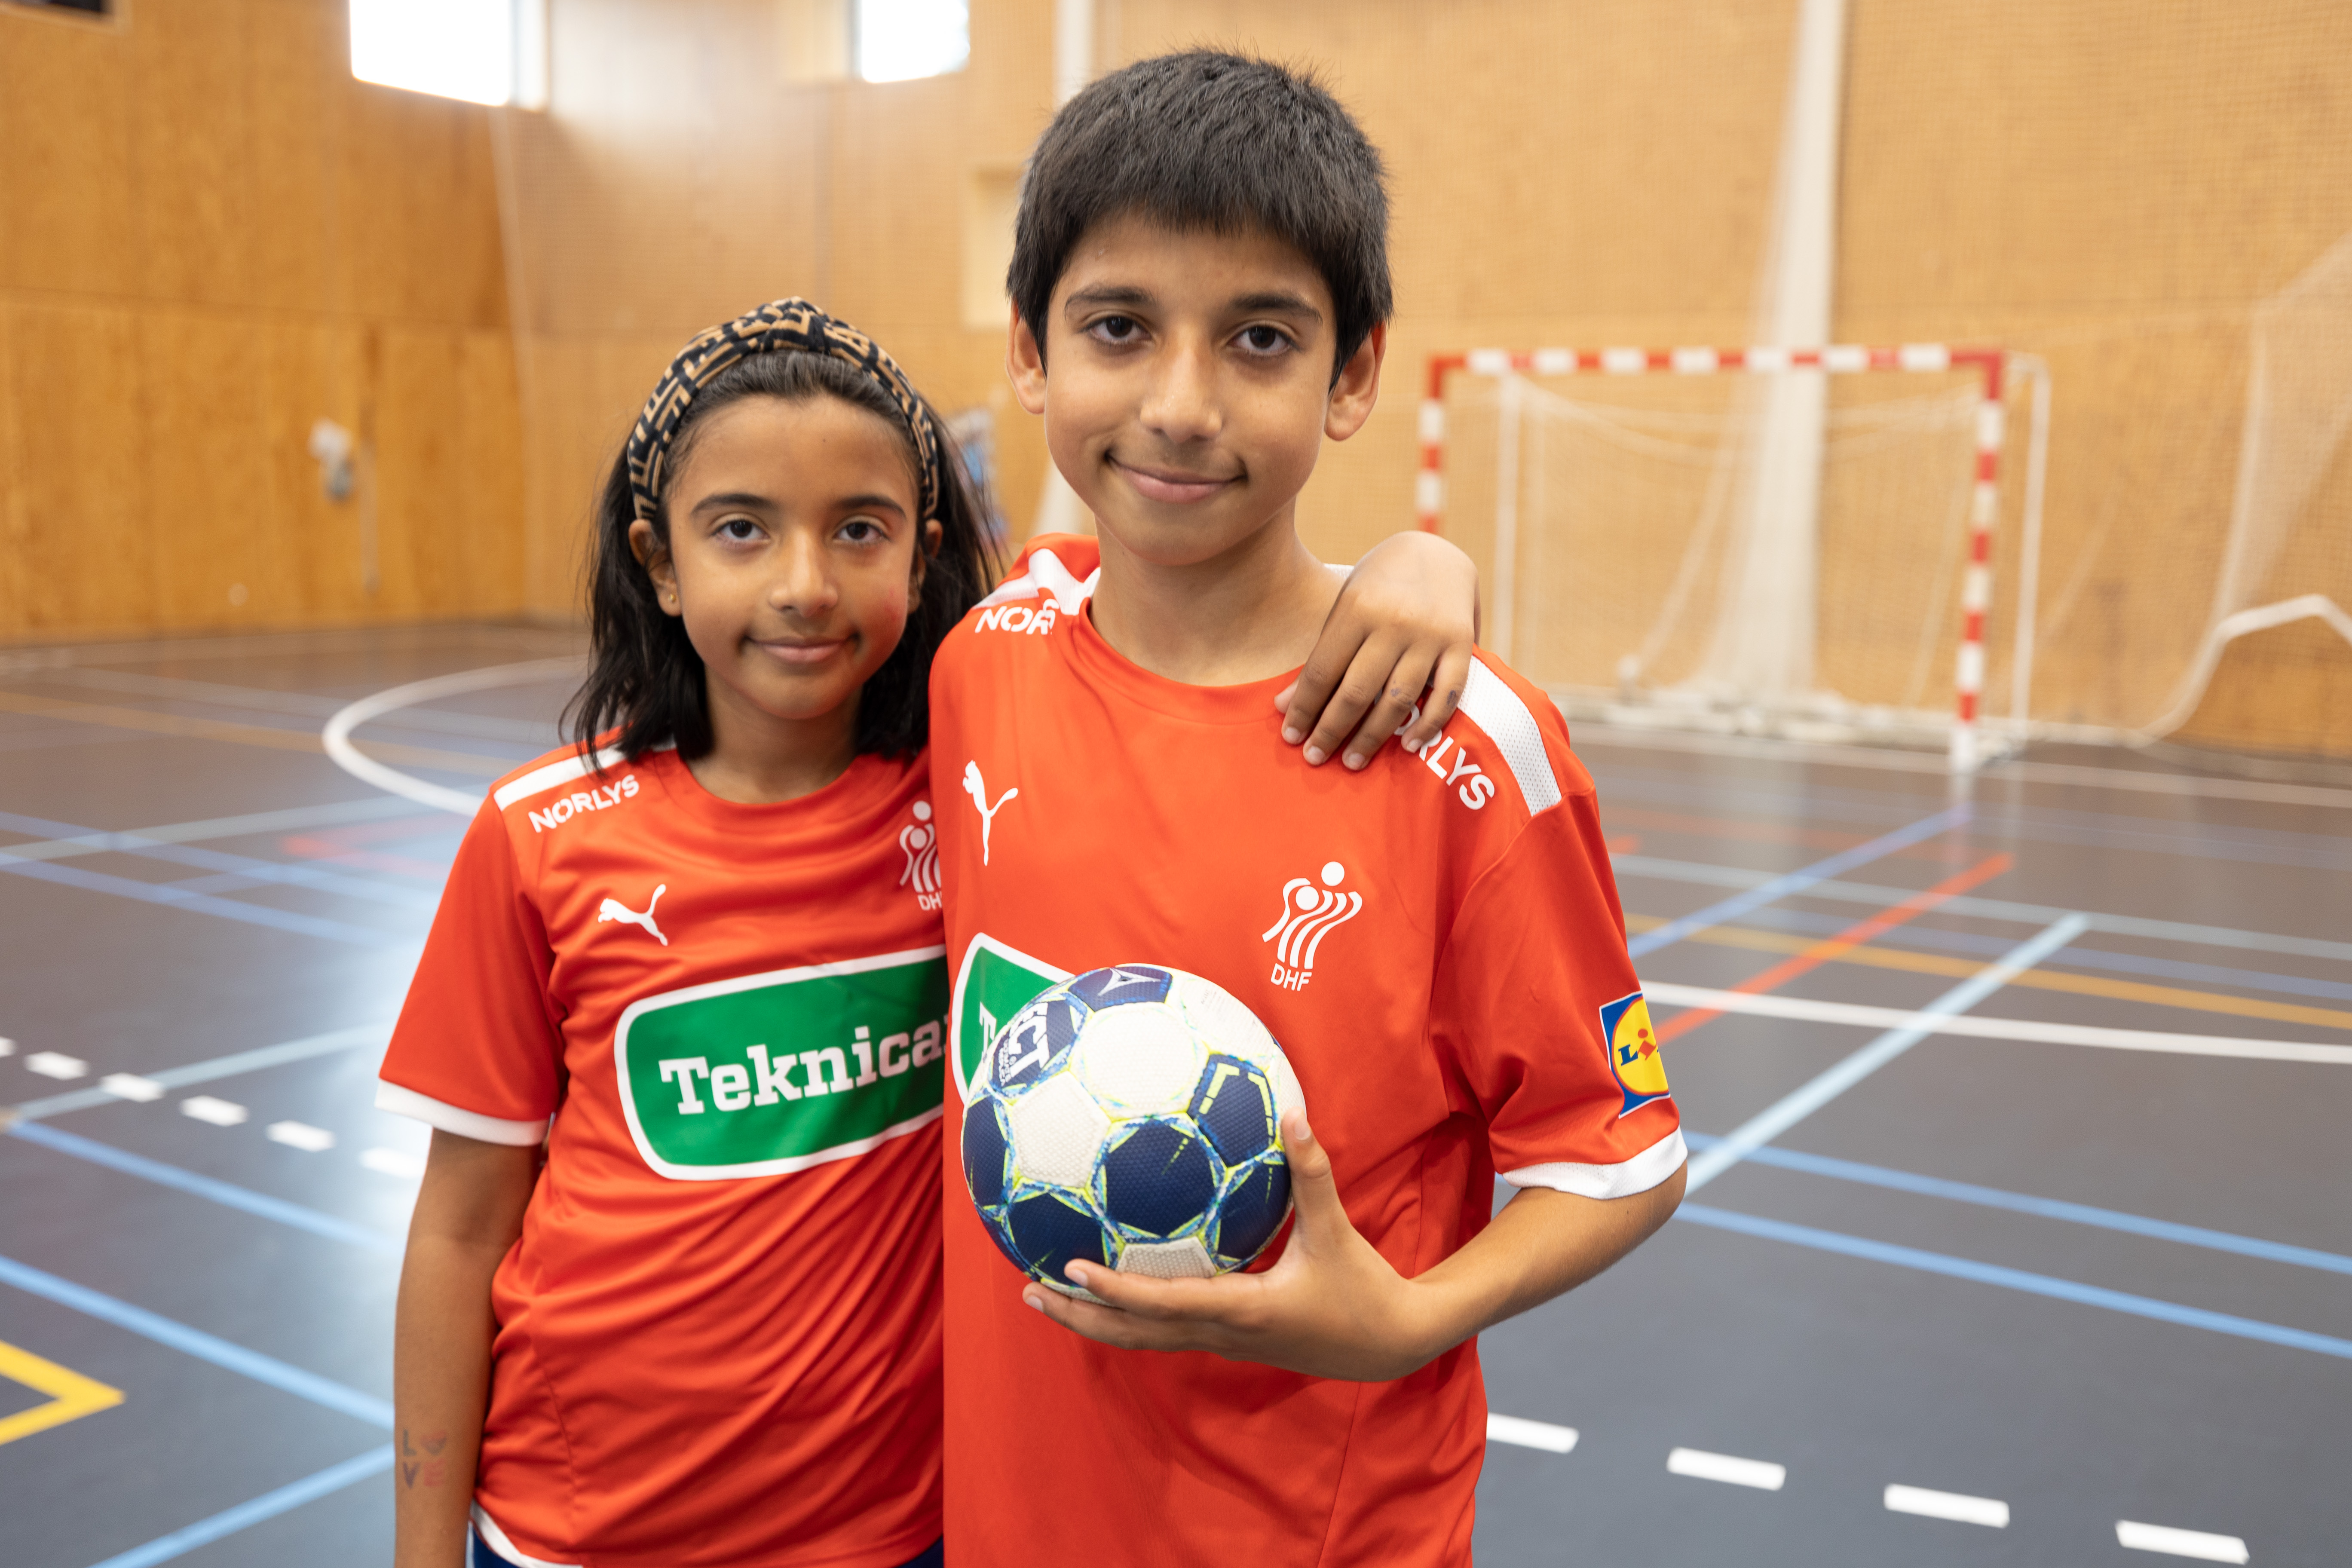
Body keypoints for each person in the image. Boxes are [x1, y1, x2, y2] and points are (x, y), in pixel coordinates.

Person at [379, 299, 1485, 1568]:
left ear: (923, 557)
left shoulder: (975, 780)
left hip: (898, 1532)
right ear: (659, 560)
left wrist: (1416, 563)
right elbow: (460, 1232)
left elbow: (1150, 575)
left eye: (860, 529)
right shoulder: (539, 837)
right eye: (740, 529)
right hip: (581, 1531)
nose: (804, 585)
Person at [931, 52, 1687, 1566]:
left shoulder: (1462, 745)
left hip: (1318, 1532)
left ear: (1353, 376)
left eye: (1260, 339)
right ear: (1029, 349)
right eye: (1119, 328)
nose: (1180, 406)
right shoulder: (984, 656)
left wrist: (1412, 1319)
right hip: (1004, 1518)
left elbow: (1622, 1157)